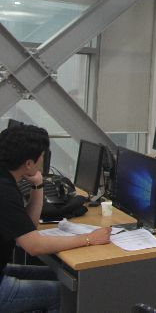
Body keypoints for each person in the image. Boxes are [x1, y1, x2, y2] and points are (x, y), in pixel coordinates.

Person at [0, 125, 111, 313]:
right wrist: (89, 239)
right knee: (65, 294)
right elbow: (34, 246)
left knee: (57, 274)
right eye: (42, 155)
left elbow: (29, 226)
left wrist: (37, 185)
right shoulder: (5, 191)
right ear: (29, 163)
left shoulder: (6, 178)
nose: (44, 159)